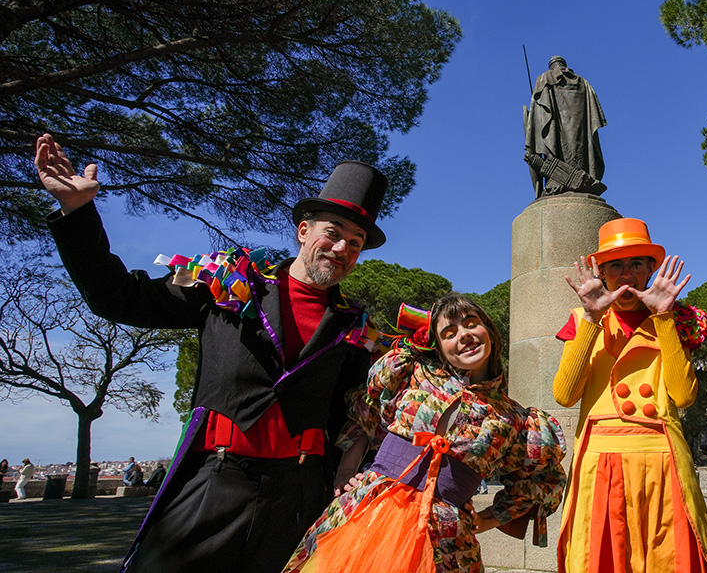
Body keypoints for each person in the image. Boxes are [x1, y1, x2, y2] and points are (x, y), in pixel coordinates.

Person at [35, 133, 389, 573]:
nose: (341, 249)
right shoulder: (226, 284)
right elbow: (119, 298)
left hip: (300, 498)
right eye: (333, 234)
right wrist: (78, 213)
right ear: (304, 231)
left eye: (354, 243)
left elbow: (362, 414)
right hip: (214, 484)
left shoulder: (356, 329)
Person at [283, 293, 566, 573]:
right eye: (449, 333)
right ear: (440, 349)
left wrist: (486, 519)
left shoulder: (517, 419)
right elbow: (367, 411)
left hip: (446, 538)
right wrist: (346, 470)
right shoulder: (414, 371)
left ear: (489, 330)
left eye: (470, 323)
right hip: (370, 514)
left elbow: (538, 482)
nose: (463, 335)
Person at [554, 218, 707, 572]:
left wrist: (664, 317)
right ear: (601, 273)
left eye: (635, 263)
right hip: (599, 462)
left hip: (663, 457)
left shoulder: (677, 319)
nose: (626, 274)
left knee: (670, 560)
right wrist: (591, 318)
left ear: (651, 269)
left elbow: (683, 395)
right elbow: (565, 395)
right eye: (615, 265)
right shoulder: (583, 318)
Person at [523, 56, 606, 196]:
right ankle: (581, 173)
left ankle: (556, 180)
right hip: (580, 130)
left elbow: (540, 116)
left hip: (556, 131)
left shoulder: (544, 79)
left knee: (555, 142)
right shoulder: (583, 82)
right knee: (579, 145)